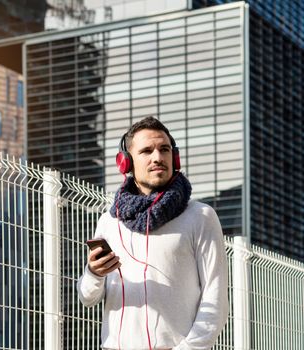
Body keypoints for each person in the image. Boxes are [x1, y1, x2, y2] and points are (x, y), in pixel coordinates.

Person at [77, 116, 228, 350]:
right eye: (146, 151)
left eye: (164, 149)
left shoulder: (201, 216)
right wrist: (94, 273)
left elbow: (215, 298)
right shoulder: (108, 221)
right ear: (126, 163)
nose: (157, 157)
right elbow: (87, 298)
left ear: (174, 157)